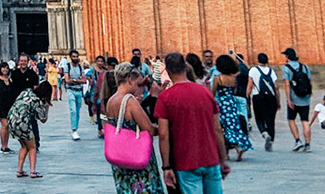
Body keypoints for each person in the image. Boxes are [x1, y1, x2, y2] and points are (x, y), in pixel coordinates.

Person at [156, 52, 229, 194]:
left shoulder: (165, 97)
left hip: (185, 160)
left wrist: (166, 167)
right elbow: (217, 129)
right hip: (210, 158)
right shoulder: (205, 92)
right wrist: (222, 158)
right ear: (185, 67)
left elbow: (163, 135)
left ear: (167, 70)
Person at [101, 65, 159, 194]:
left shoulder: (111, 101)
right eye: (138, 84)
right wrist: (164, 129)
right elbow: (149, 129)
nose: (139, 88)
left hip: (121, 159)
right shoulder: (130, 101)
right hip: (137, 159)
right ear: (129, 79)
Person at [209, 55, 250, 163]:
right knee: (233, 125)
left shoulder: (218, 78)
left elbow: (213, 93)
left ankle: (236, 147)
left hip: (222, 104)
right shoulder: (233, 79)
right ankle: (232, 150)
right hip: (231, 103)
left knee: (223, 128)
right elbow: (234, 91)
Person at [8, 76, 47, 178]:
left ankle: (19, 170)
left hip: (12, 119)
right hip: (23, 122)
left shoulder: (27, 91)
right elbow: (43, 119)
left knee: (24, 146)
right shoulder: (37, 101)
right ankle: (33, 171)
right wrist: (46, 106)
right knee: (33, 146)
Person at [281, 47, 314, 152]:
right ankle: (307, 144)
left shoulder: (286, 68)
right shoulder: (304, 67)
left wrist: (288, 99)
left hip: (294, 98)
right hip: (305, 98)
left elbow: (287, 84)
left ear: (287, 56)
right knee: (305, 121)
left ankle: (297, 141)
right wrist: (309, 94)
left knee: (291, 119)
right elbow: (309, 82)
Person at [247, 54, 278, 152]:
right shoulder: (271, 71)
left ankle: (264, 133)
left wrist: (247, 97)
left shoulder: (253, 70)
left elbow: (250, 85)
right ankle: (271, 141)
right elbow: (276, 87)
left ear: (258, 60)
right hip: (271, 98)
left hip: (258, 97)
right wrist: (278, 100)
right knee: (271, 120)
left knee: (259, 118)